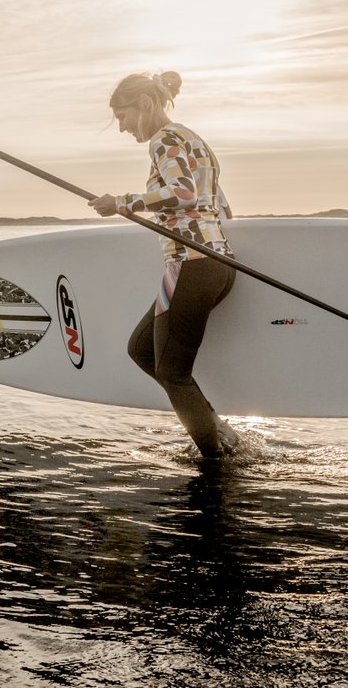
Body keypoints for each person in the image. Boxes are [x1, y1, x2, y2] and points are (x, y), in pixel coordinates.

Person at [88, 71, 241, 458]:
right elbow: (220, 203)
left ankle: (215, 466)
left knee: (172, 373)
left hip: (191, 264)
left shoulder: (164, 139)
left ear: (143, 105)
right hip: (215, 264)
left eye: (122, 117)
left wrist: (123, 203)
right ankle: (217, 429)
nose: (122, 128)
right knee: (141, 350)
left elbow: (183, 192)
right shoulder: (194, 139)